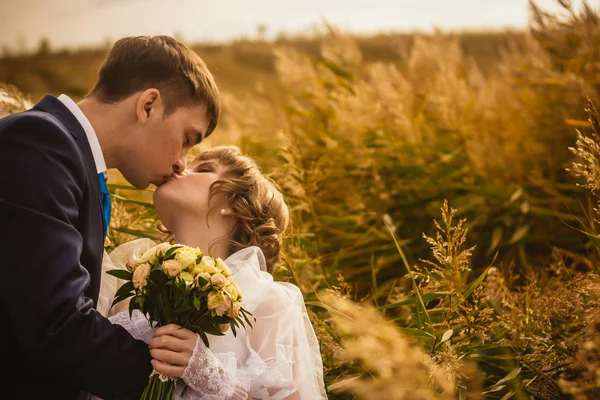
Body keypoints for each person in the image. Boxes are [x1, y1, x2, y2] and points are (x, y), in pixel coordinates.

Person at [0, 35, 220, 399]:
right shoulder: (39, 143)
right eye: (186, 138)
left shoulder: (67, 157)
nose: (182, 162)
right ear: (148, 105)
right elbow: (56, 324)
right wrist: (172, 387)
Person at [97, 145, 328, 399]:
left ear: (235, 204)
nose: (181, 168)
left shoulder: (267, 302)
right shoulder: (130, 280)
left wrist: (209, 375)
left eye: (204, 169)